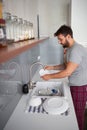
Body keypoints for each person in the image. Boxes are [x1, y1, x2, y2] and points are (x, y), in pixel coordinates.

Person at [41, 25, 87, 130]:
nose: (59, 42)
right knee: (74, 114)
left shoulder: (76, 50)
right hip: (75, 85)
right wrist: (52, 67)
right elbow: (66, 65)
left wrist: (49, 76)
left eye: (60, 39)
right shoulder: (70, 49)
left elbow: (67, 72)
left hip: (80, 87)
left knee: (77, 116)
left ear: (68, 36)